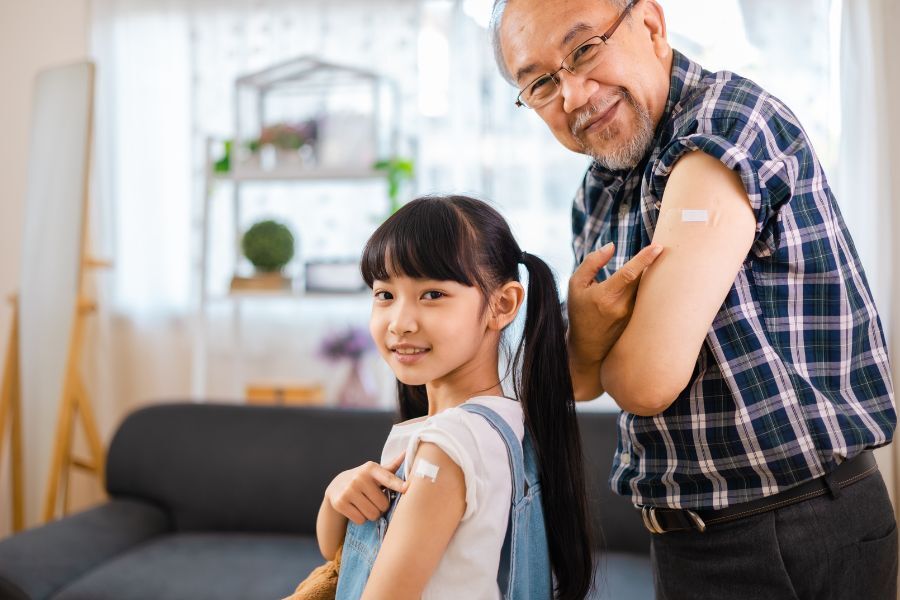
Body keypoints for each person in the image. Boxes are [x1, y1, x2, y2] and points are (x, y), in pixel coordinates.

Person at [490, 0, 898, 598]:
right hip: (686, 534)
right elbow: (580, 381)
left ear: (651, 25)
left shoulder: (722, 128)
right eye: (542, 83)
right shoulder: (598, 191)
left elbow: (646, 380)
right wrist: (591, 340)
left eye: (583, 50)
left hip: (793, 524)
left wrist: (589, 335)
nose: (573, 95)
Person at [315, 195, 593, 599]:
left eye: (432, 295)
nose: (400, 323)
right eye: (385, 295)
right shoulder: (505, 420)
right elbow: (339, 554)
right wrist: (336, 493)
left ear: (502, 305)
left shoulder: (447, 447)